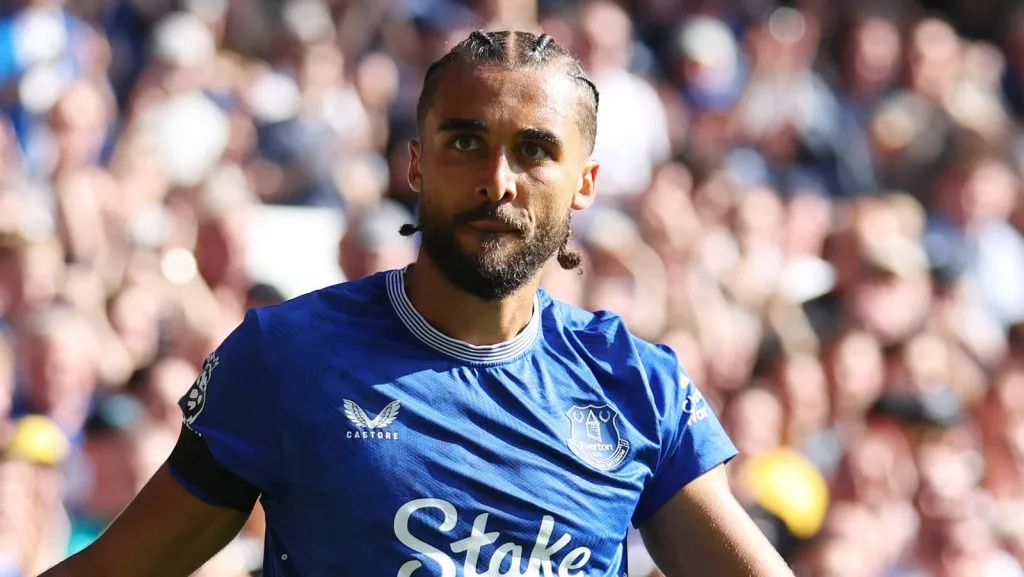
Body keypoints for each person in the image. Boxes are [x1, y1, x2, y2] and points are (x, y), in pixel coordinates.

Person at [40, 30, 793, 577]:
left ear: (586, 182)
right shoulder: (288, 354)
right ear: (415, 163)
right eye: (466, 142)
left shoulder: (638, 386)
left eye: (534, 150)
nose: (498, 180)